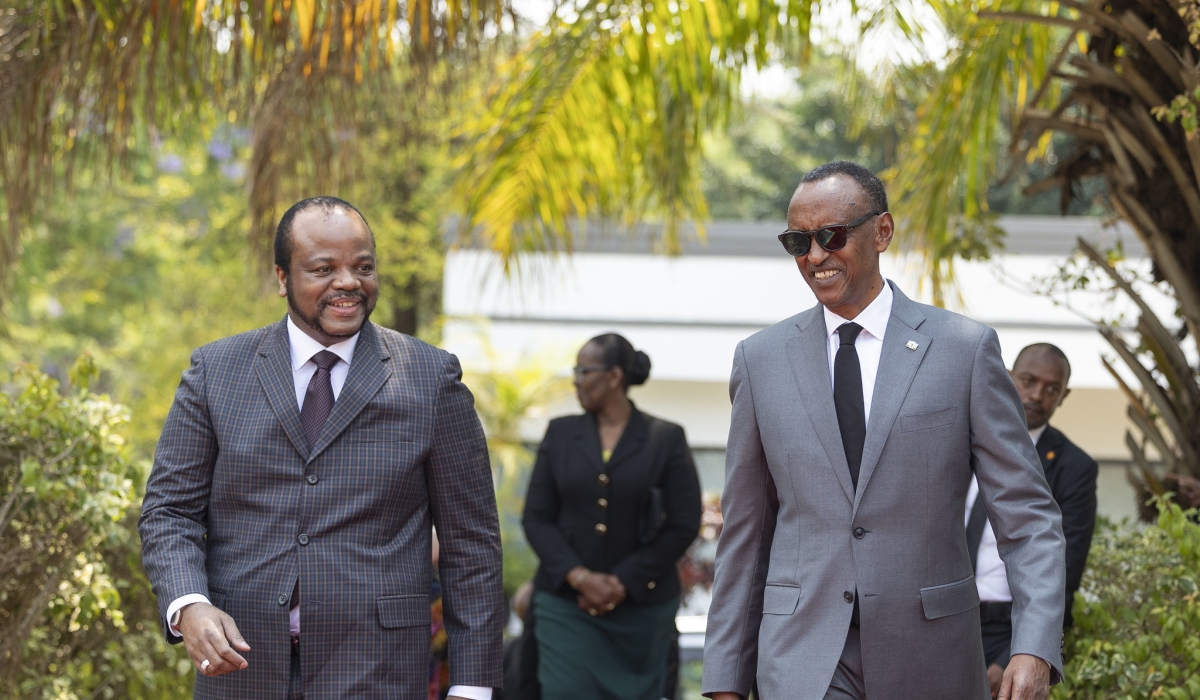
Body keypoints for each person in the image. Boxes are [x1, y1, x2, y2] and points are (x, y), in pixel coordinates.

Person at [701, 161, 1066, 700]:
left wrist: (1034, 644)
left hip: (930, 654)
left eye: (831, 236)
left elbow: (1027, 515)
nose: (815, 256)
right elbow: (746, 533)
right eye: (798, 241)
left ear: (883, 231)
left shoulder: (964, 350)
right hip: (802, 657)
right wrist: (725, 679)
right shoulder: (760, 361)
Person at [139, 196, 504, 699]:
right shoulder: (215, 372)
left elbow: (472, 543)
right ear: (282, 277)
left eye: (363, 267)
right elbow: (169, 510)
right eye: (323, 268)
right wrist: (189, 603)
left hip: (378, 670)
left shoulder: (430, 378)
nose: (348, 282)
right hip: (241, 668)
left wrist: (472, 686)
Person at [523, 334, 702, 700]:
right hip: (566, 606)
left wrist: (622, 582)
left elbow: (683, 522)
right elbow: (536, 518)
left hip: (642, 610)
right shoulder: (560, 434)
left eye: (583, 370)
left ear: (615, 376)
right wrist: (581, 578)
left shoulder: (664, 438)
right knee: (564, 691)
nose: (575, 380)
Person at [967, 343, 1098, 698]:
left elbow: (1063, 571)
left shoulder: (1075, 467)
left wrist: (1012, 651)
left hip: (1007, 627)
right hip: (942, 618)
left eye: (1052, 388)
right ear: (1009, 376)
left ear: (1064, 395)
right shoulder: (964, 438)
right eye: (1028, 380)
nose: (1038, 395)